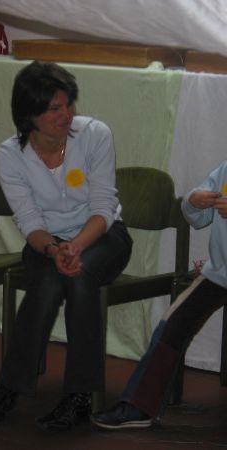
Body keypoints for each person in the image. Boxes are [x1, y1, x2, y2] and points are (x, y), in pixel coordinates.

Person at [0, 61, 133, 432]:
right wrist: (54, 250)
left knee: (78, 275)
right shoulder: (9, 156)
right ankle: (11, 387)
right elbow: (29, 222)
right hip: (46, 243)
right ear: (29, 115)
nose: (66, 115)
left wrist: (75, 247)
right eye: (53, 109)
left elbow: (103, 208)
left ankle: (78, 395)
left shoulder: (95, 135)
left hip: (103, 236)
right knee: (49, 281)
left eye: (68, 104)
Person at [91, 161, 227, 430]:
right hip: (220, 274)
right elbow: (195, 214)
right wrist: (194, 201)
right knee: (172, 325)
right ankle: (139, 406)